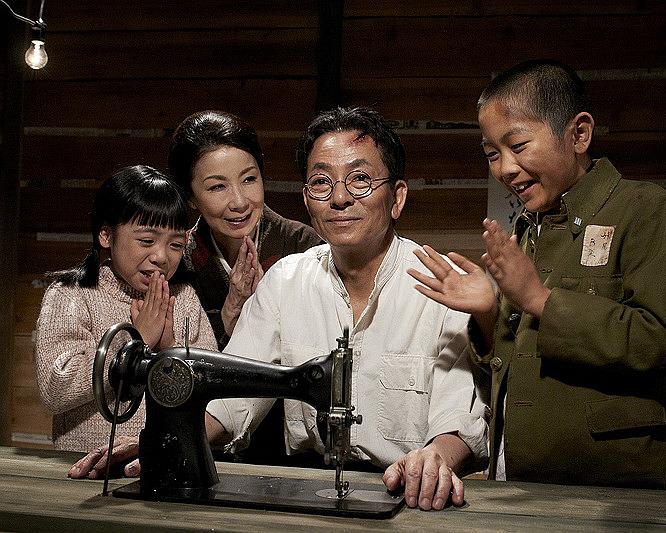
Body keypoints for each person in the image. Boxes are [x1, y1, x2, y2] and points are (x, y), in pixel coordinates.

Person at [70, 107, 488, 511]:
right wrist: (165, 443)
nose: (339, 198)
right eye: (321, 182)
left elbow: (460, 418)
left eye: (360, 179)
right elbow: (233, 403)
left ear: (397, 197)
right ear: (307, 199)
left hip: (410, 494)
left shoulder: (445, 286)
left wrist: (436, 459)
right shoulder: (285, 282)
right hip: (309, 487)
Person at [409, 60, 666, 489]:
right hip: (524, 480)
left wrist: (539, 299)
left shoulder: (645, 208)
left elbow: (656, 341)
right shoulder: (529, 227)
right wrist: (488, 313)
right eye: (492, 154)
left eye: (518, 145)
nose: (504, 168)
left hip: (617, 485)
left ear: (579, 135)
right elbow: (513, 364)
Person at [35, 165, 217, 452]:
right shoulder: (72, 294)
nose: (161, 257)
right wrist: (134, 345)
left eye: (176, 245)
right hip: (83, 464)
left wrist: (168, 349)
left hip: (166, 462)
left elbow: (213, 396)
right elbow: (54, 390)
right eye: (146, 241)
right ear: (106, 235)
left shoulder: (184, 298)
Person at [168, 110, 322, 349]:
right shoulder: (177, 261)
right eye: (218, 187)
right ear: (189, 196)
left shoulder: (304, 246)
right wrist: (227, 316)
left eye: (249, 179)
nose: (239, 202)